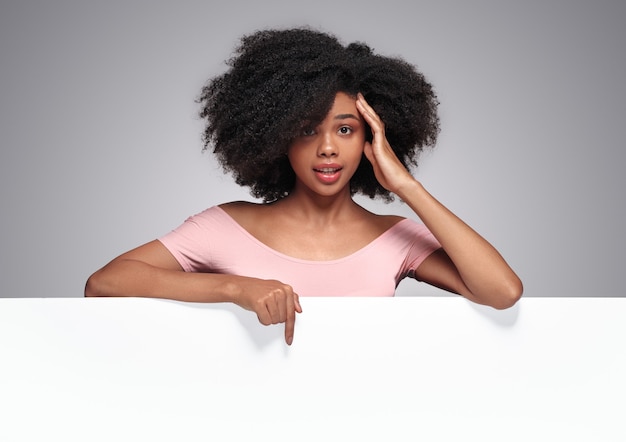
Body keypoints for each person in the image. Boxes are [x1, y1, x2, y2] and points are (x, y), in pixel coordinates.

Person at [85, 27, 523, 345]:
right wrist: (236, 288)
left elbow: (501, 292)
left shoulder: (395, 237)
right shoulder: (225, 226)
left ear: (370, 139)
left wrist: (406, 184)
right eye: (308, 130)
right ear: (278, 136)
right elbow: (104, 284)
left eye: (346, 130)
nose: (328, 148)